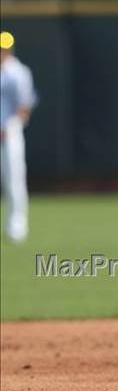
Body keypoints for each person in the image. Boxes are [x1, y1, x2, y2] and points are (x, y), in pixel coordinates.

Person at [1, 31, 37, 243]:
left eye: (4, 48)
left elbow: (24, 107)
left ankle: (17, 225)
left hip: (10, 132)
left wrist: (10, 126)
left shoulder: (18, 72)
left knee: (14, 179)